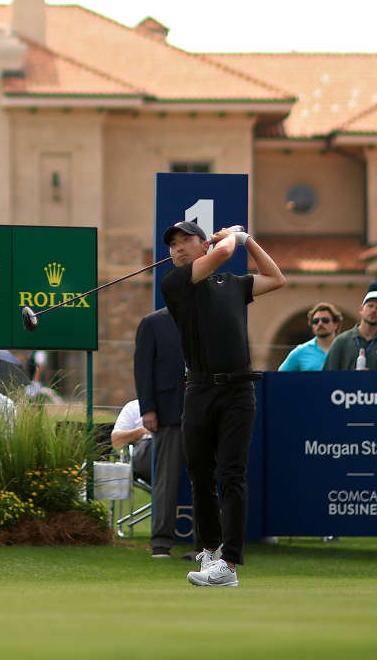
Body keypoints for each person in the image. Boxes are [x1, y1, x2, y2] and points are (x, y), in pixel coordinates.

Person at [159, 219, 285, 589]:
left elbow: (276, 278)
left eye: (187, 240)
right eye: (173, 244)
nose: (178, 248)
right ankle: (210, 551)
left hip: (238, 391)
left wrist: (247, 240)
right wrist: (232, 239)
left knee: (232, 474)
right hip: (198, 389)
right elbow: (226, 252)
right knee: (200, 476)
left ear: (202, 245)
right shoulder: (176, 283)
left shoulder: (231, 284)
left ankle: (229, 563)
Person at [132, 305, 185, 558]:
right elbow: (142, 369)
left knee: (206, 482)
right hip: (168, 412)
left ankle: (206, 546)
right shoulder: (152, 323)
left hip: (204, 411)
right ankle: (161, 543)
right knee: (166, 479)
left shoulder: (208, 317)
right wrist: (148, 409)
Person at [324, 290, 377, 371]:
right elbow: (328, 376)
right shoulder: (341, 341)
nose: (373, 310)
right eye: (370, 306)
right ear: (361, 309)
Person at [278, 303, 340, 371]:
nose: (320, 323)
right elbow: (280, 376)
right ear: (312, 325)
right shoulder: (300, 351)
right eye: (315, 321)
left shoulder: (347, 349)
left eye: (325, 320)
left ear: (335, 324)